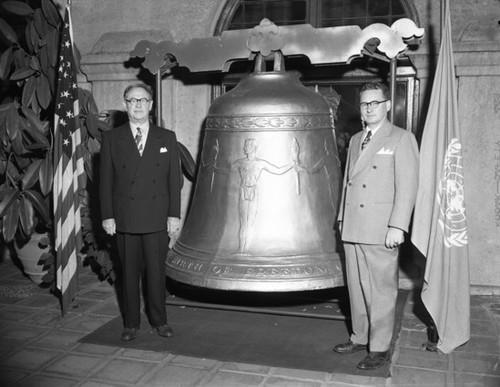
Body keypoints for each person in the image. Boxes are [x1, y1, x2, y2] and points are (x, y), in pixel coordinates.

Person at [334, 82, 419, 370]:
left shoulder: (401, 138)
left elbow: (408, 187)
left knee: (381, 290)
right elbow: (349, 181)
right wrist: (342, 217)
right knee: (356, 287)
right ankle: (359, 336)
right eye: (363, 104)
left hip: (381, 227)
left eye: (374, 103)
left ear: (386, 105)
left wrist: (398, 226)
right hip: (354, 225)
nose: (368, 108)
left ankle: (380, 347)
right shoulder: (357, 138)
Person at [99, 83, 181, 341]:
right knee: (128, 273)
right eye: (132, 100)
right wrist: (108, 216)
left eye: (143, 100)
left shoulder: (166, 137)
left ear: (151, 105)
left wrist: (174, 215)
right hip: (126, 217)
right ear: (125, 105)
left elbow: (173, 180)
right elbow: (105, 183)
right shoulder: (112, 139)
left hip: (157, 216)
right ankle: (131, 323)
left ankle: (160, 321)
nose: (138, 105)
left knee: (156, 274)